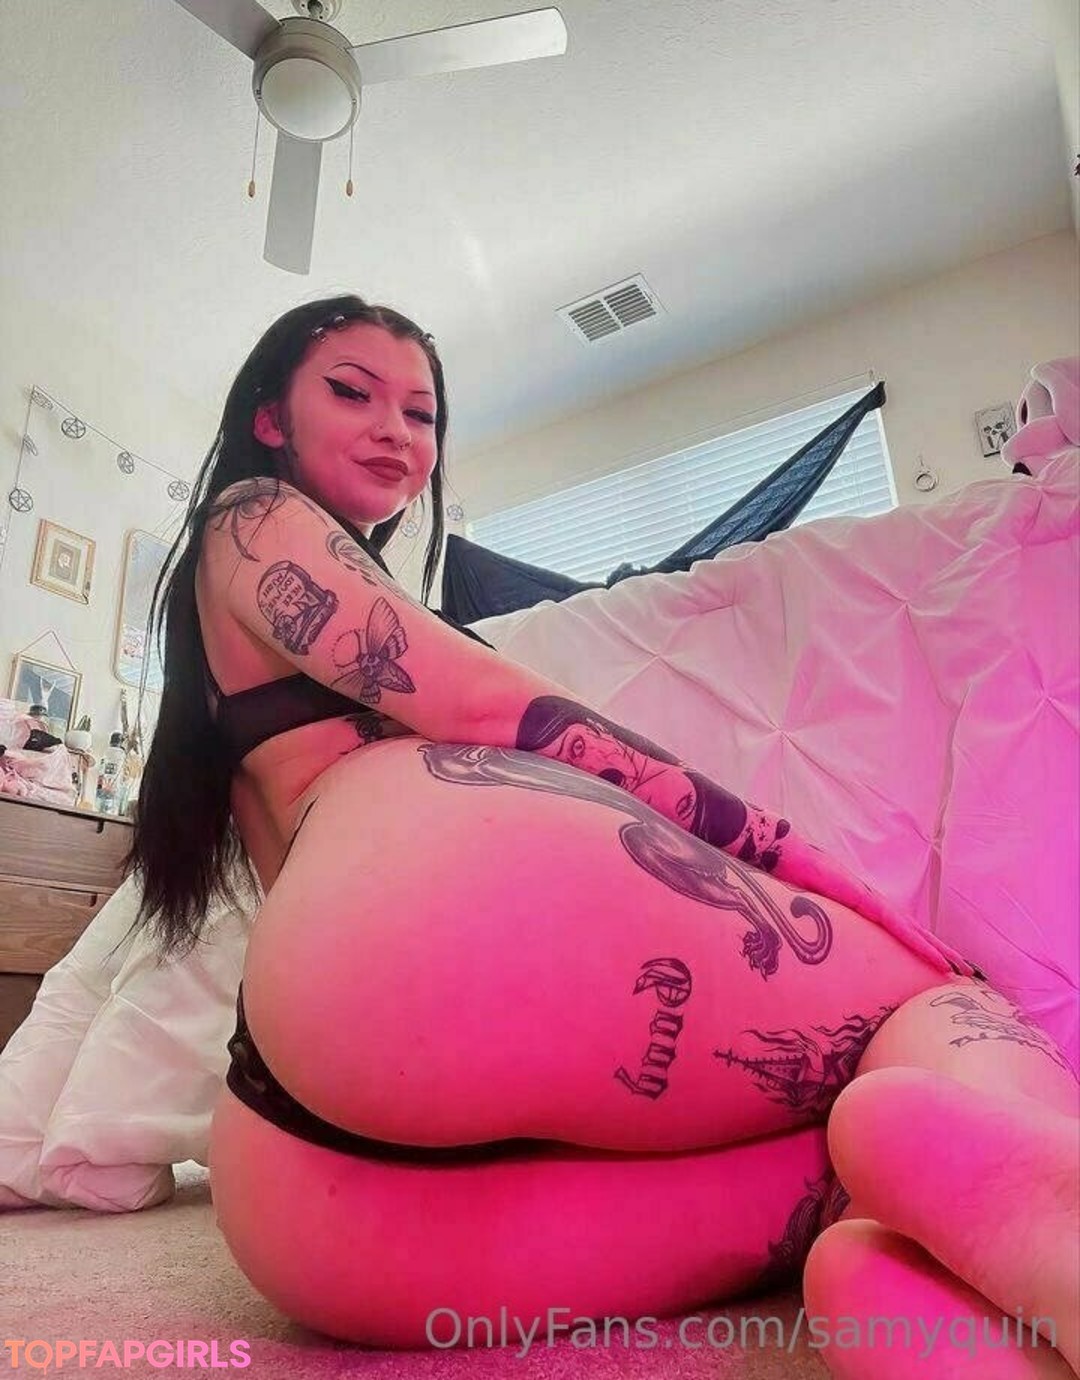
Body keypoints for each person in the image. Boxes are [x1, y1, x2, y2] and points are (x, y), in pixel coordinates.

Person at [125, 296, 1079, 1377]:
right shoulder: (253, 515)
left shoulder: (232, 643)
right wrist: (778, 848)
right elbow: (479, 700)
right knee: (941, 1000)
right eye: (352, 392)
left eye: (421, 413)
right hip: (417, 936)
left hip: (295, 1183)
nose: (395, 429)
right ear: (268, 419)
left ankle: (901, 1285)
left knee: (833, 1177)